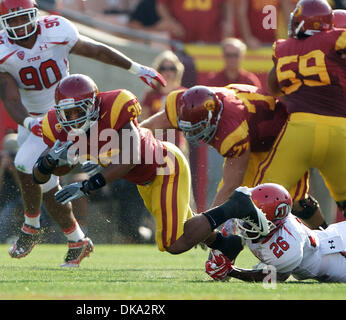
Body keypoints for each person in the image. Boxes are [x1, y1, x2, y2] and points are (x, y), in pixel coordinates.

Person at [0, 0, 166, 266]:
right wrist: (29, 122)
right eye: (13, 21)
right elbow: (10, 99)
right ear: (2, 23)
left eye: (24, 18)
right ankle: (77, 240)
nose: (20, 26)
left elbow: (96, 50)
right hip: (32, 120)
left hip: (66, 114)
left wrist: (136, 68)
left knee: (25, 163)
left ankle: (31, 227)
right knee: (42, 182)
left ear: (35, 14)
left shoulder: (56, 29)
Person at [32, 74, 270, 262]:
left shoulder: (116, 105)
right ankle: (226, 245)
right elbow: (40, 175)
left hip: (165, 167)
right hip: (144, 180)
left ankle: (236, 206)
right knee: (186, 226)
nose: (73, 118)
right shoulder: (56, 126)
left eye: (79, 110)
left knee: (173, 243)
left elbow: (131, 157)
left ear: (94, 105)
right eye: (67, 112)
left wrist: (87, 185)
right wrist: (49, 163)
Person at [140, 84, 329, 229]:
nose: (192, 134)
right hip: (253, 137)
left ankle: (322, 238)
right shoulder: (185, 102)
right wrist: (133, 137)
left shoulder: (232, 131)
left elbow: (232, 185)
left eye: (198, 128)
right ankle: (226, 249)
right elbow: (151, 125)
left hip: (279, 136)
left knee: (277, 201)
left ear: (213, 119)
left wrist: (206, 224)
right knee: (237, 204)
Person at [256, 0, 346, 219]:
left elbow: (273, 86)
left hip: (299, 129)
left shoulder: (284, 47)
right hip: (339, 131)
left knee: (261, 196)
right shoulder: (336, 38)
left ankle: (229, 244)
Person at [205, 183, 346, 283]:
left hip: (339, 258)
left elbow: (273, 277)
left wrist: (231, 271)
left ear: (274, 221)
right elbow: (222, 236)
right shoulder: (254, 219)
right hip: (331, 236)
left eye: (255, 216)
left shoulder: (289, 241)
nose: (247, 220)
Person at [0, 133, 24, 244]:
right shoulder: (0, 160)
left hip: (23, 205)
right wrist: (2, 168)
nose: (13, 156)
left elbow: (25, 191)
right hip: (4, 204)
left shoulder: (25, 161)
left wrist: (15, 170)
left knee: (16, 203)